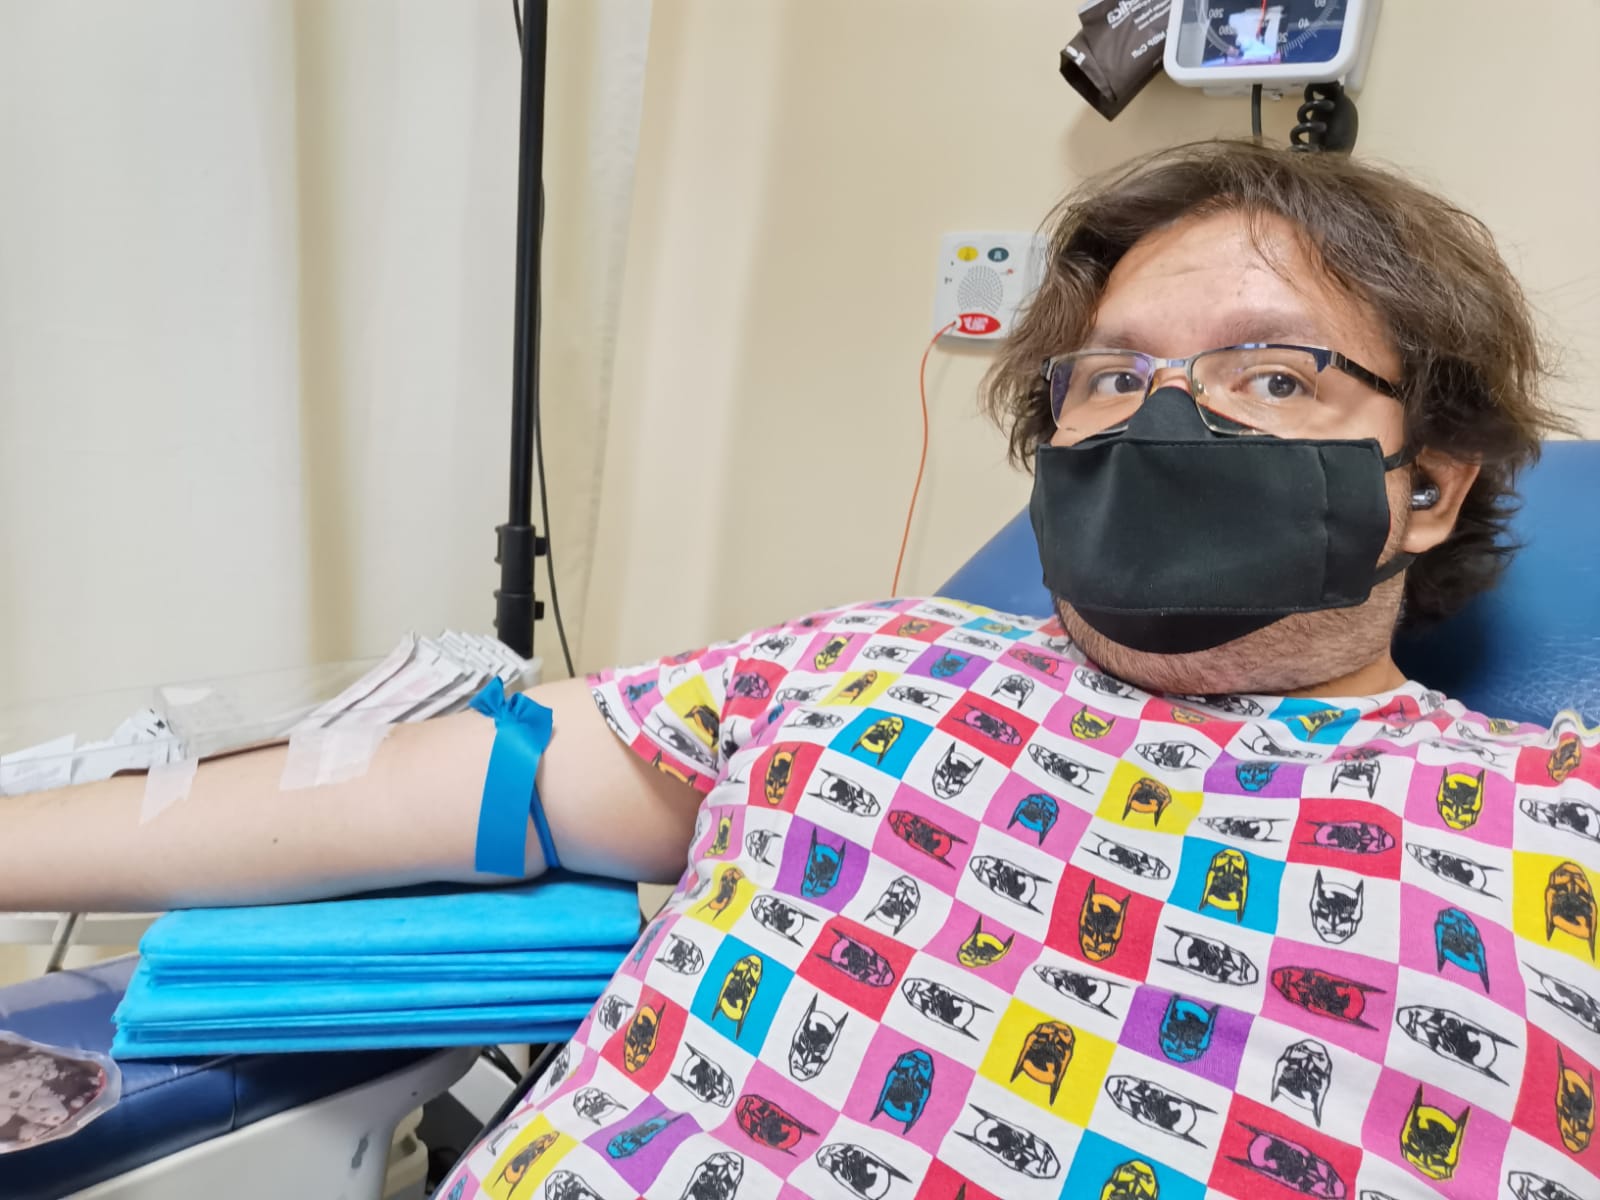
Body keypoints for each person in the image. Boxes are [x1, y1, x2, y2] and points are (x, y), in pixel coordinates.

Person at [3, 139, 1596, 1200]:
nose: (1165, 418)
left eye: (1276, 373)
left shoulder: (1550, 815)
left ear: (1429, 485)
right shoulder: (872, 659)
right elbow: (421, 788)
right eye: (1112, 375)